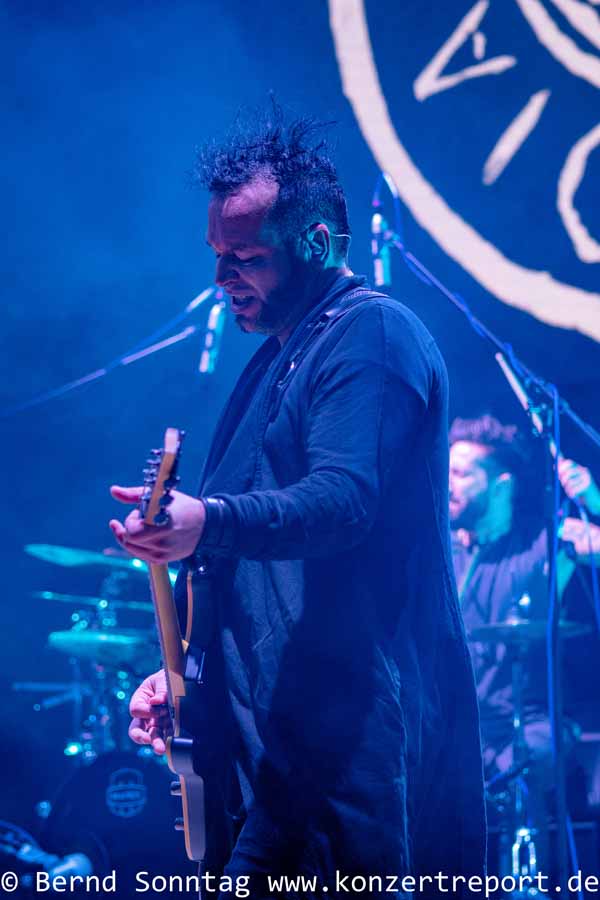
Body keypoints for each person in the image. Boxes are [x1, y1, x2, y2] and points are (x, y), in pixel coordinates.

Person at [109, 110, 485, 898]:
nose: (222, 278)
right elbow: (249, 577)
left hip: (343, 754)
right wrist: (186, 678)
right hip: (272, 756)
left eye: (246, 257)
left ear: (315, 244)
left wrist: (207, 520)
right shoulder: (274, 361)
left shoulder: (373, 334)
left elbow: (342, 503)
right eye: (218, 255)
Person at [448, 414, 600, 869]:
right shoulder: (438, 547)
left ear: (501, 486)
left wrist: (593, 501)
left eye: (461, 473)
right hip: (457, 727)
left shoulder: (546, 541)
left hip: (527, 725)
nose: (447, 483)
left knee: (526, 762)